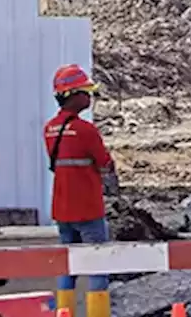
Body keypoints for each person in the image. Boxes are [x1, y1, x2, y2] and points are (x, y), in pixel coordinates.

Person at [44, 64, 118, 317]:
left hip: (62, 209)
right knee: (98, 265)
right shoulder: (87, 131)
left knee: (68, 266)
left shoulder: (49, 130)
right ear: (72, 95)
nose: (89, 96)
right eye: (85, 92)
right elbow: (105, 163)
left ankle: (64, 313)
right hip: (87, 209)